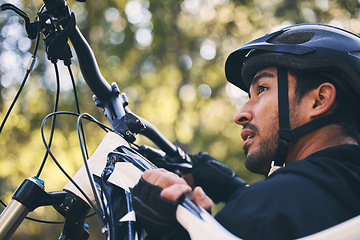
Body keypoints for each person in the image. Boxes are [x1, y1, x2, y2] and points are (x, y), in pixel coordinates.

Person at [131, 24, 360, 239]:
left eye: (262, 89)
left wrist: (175, 231)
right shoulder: (340, 194)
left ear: (319, 100)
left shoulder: (262, 211)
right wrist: (234, 188)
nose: (240, 115)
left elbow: (271, 212)